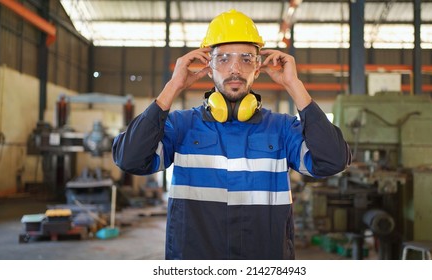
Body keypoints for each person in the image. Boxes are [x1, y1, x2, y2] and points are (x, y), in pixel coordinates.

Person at [112, 9, 351, 260]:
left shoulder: (282, 129)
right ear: (208, 67)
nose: (235, 69)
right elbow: (129, 159)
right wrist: (173, 87)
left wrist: (294, 86)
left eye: (246, 59)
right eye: (223, 59)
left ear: (258, 69)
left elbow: (332, 161)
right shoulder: (180, 126)